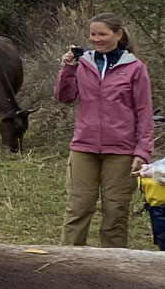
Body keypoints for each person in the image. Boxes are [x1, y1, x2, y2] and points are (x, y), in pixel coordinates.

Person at [54, 14, 154, 248]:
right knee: (77, 209)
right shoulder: (83, 64)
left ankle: (112, 268)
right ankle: (67, 264)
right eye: (93, 34)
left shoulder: (135, 68)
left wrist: (143, 151)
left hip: (121, 151)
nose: (96, 39)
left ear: (118, 35)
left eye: (102, 34)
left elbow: (144, 112)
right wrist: (67, 69)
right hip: (84, 147)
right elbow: (64, 96)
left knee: (115, 213)